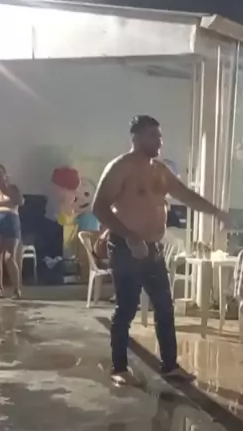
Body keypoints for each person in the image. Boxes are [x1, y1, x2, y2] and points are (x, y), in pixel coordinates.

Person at [92, 115, 229, 386]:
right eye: (154, 136)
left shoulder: (160, 170)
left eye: (160, 136)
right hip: (126, 246)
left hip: (153, 248)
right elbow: (99, 207)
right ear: (136, 137)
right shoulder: (121, 167)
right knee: (127, 307)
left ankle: (170, 365)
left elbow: (186, 195)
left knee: (165, 306)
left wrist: (216, 212)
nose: (160, 142)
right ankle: (119, 367)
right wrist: (130, 236)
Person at [0, 164, 24, 299]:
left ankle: (16, 289)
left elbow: (19, 201)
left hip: (10, 220)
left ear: (4, 175)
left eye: (0, 173)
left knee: (9, 257)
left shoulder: (12, 188)